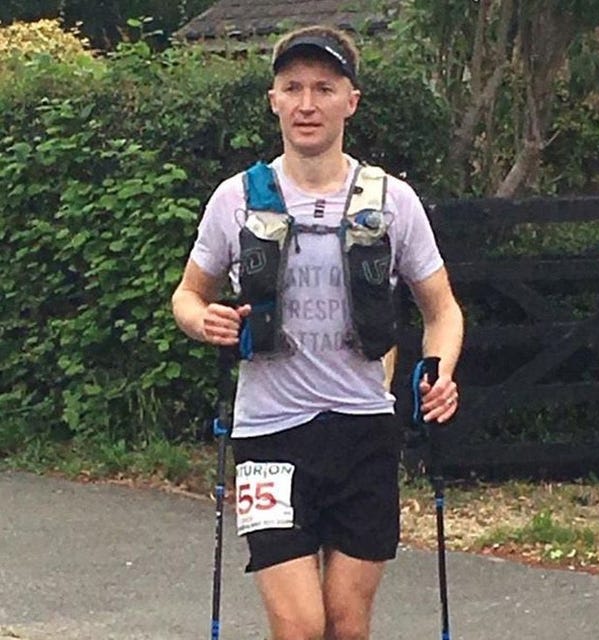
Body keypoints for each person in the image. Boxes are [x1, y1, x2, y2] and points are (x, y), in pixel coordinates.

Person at [171, 23, 464, 640]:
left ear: (350, 100)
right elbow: (188, 295)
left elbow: (442, 310)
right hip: (267, 439)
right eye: (293, 88)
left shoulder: (393, 202)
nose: (307, 104)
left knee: (347, 625)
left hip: (364, 434)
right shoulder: (236, 200)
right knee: (301, 626)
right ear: (273, 99)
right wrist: (206, 321)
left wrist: (440, 372)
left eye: (324, 89)